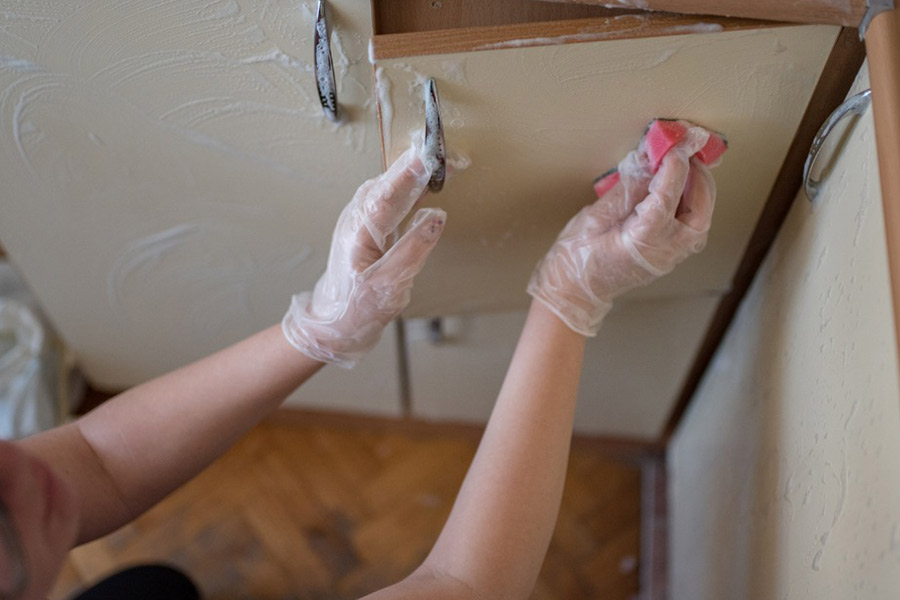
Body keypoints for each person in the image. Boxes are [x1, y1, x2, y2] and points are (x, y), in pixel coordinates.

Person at [0, 123, 716, 600]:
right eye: (6, 530)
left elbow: (96, 460)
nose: (20, 472)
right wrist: (570, 295)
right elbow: (463, 585)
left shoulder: (17, 490)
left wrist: (315, 329)